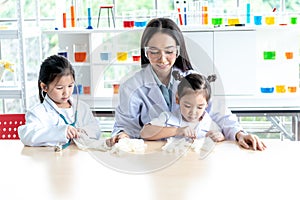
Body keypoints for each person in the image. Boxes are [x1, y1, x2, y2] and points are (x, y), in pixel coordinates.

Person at [112, 17, 266, 151]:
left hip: (190, 155)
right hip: (152, 157)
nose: (162, 59)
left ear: (178, 51)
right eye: (154, 51)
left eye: (169, 51)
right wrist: (122, 135)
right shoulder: (131, 86)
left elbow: (220, 113)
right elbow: (126, 126)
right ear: (145, 52)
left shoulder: (193, 80)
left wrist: (240, 134)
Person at [18, 55, 119, 149]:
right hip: (52, 161)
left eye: (70, 86)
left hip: (80, 160)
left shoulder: (82, 107)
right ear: (44, 87)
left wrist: (82, 132)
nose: (66, 93)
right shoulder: (38, 113)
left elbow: (96, 130)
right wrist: (61, 132)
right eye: (59, 88)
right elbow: (28, 135)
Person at [140, 72, 225, 142]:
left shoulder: (209, 123)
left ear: (207, 105)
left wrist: (220, 137)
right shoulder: (167, 118)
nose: (193, 112)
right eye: (187, 106)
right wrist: (177, 131)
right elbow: (144, 133)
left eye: (199, 107)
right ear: (177, 99)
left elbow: (221, 140)